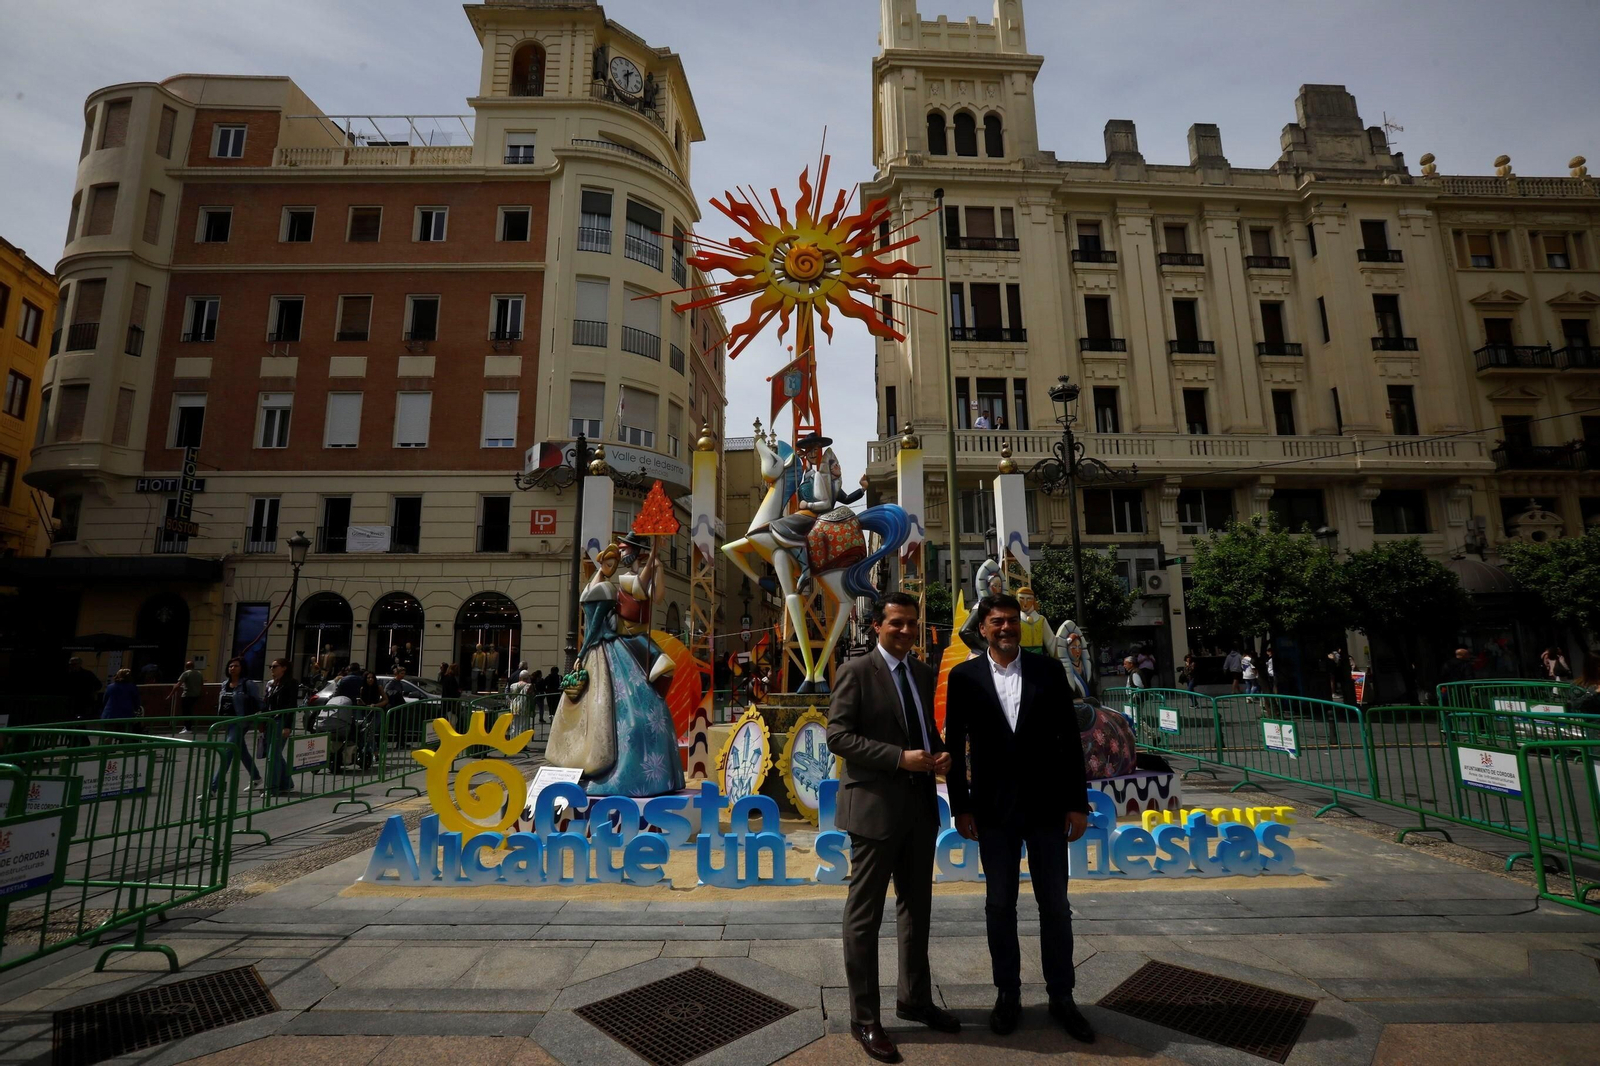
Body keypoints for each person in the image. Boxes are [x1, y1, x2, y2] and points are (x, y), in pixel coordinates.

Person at [946, 594, 1094, 1043]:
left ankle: (1062, 995)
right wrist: (961, 806)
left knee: (1056, 906)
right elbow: (954, 745)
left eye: (1011, 620)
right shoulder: (964, 677)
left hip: (1047, 808)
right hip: (992, 811)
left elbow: (1069, 741)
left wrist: (1077, 803)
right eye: (997, 622)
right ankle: (1006, 992)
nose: (1006, 628)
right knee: (999, 905)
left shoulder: (1048, 671)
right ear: (983, 628)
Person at [825, 591, 958, 1062]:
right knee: (864, 916)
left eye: (911, 623)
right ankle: (865, 1018)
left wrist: (939, 754)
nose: (905, 630)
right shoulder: (857, 671)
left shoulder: (921, 672)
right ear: (877, 627)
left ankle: (914, 999)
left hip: (920, 810)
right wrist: (898, 758)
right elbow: (837, 736)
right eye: (896, 623)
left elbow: (923, 731)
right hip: (873, 811)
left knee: (916, 909)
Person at [546, 544, 685, 796]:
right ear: (602, 562)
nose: (612, 565)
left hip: (616, 645)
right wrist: (581, 653)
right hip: (606, 648)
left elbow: (652, 595)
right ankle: (590, 764)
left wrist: (656, 565)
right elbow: (594, 625)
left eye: (616, 560)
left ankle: (636, 773)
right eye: (609, 561)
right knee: (603, 710)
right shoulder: (607, 586)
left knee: (639, 704)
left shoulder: (613, 587)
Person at [206, 657, 263, 795]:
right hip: (227, 721)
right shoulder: (225, 684)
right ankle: (256, 777)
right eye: (231, 666)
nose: (233, 668)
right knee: (241, 751)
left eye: (236, 666)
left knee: (228, 751)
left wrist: (259, 718)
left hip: (241, 722)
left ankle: (213, 788)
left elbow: (258, 702)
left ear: (242, 668)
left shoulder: (248, 684)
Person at [263, 659, 297, 794]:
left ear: (284, 668)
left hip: (281, 720)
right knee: (274, 753)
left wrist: (287, 726)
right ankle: (286, 783)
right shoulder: (272, 684)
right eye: (270, 666)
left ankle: (272, 787)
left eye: (275, 666)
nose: (272, 669)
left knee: (273, 754)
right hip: (271, 720)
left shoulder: (291, 683)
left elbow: (291, 705)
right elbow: (267, 704)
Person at [100, 667, 142, 736]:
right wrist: (136, 709)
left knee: (107, 736)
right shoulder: (132, 687)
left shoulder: (110, 687)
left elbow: (105, 700)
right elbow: (136, 702)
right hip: (126, 716)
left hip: (109, 715)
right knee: (125, 736)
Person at [170, 660, 205, 733]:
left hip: (187, 695)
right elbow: (202, 684)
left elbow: (178, 684)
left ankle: (187, 728)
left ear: (187, 667)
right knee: (191, 711)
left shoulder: (186, 673)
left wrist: (171, 694)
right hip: (196, 695)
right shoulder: (199, 673)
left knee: (186, 712)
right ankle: (189, 726)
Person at [66, 656, 103, 721]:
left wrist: (91, 691)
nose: (72, 666)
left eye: (74, 664)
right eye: (70, 664)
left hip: (84, 701)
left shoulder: (88, 674)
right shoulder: (68, 675)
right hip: (71, 701)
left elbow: (98, 685)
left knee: (83, 720)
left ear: (79, 664)